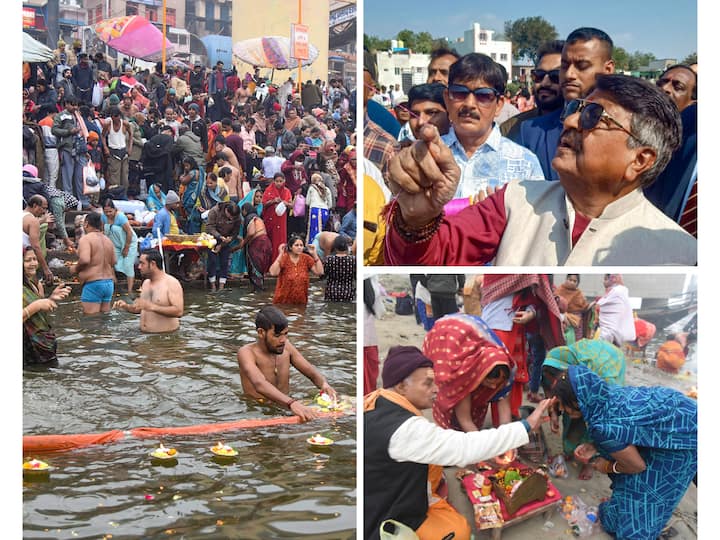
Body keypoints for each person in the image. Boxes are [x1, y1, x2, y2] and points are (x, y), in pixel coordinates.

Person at [384, 74, 696, 266]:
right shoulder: (515, 197)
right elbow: (439, 254)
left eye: (593, 117)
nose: (570, 121)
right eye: (576, 109)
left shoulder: (681, 254)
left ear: (639, 160)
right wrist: (417, 218)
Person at [364, 346, 554, 540]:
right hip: (382, 515)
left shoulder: (377, 401)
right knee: (460, 531)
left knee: (435, 463)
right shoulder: (404, 430)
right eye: (428, 383)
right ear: (401, 386)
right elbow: (464, 447)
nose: (436, 389)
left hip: (382, 489)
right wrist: (527, 425)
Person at [552, 365, 696, 540]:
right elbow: (627, 430)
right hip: (676, 415)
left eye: (562, 403)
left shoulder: (601, 425)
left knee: (647, 497)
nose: (561, 410)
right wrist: (596, 445)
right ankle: (621, 515)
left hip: (683, 437)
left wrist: (605, 466)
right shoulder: (605, 394)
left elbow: (636, 466)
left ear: (578, 400)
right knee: (630, 492)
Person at [542, 339, 626, 479]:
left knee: (592, 421)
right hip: (574, 382)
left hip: (608, 361)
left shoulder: (604, 380)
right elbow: (551, 392)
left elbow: (605, 416)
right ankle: (569, 450)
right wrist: (554, 413)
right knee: (570, 413)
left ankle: (590, 461)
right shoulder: (553, 364)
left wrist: (595, 445)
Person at [237, 306, 338, 422]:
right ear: (261, 332)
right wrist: (292, 403)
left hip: (286, 406)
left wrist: (324, 385)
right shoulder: (246, 353)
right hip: (258, 411)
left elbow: (310, 372)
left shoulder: (287, 347)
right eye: (277, 335)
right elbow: (259, 384)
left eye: (286, 334)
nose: (283, 340)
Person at [424, 313, 516, 432]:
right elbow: (465, 420)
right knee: (454, 416)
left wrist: (508, 441)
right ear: (478, 374)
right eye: (489, 383)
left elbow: (504, 409)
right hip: (445, 338)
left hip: (467, 334)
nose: (494, 387)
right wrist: (484, 446)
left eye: (497, 383)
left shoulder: (505, 367)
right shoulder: (461, 376)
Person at [502, 40, 567, 179]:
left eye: (555, 77)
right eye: (539, 75)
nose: (545, 83)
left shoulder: (581, 128)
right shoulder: (513, 127)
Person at [23, 246, 72, 368]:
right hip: (26, 347)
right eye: (28, 260)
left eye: (35, 259)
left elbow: (39, 314)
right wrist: (38, 304)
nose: (33, 263)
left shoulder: (35, 284)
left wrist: (51, 299)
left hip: (42, 346)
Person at [113, 250, 184, 333]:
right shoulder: (146, 283)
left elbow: (179, 311)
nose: (139, 267)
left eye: (142, 263)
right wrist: (125, 306)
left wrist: (152, 307)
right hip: (144, 336)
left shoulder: (171, 283)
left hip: (164, 338)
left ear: (153, 264)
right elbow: (142, 308)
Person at [72, 212, 117, 315]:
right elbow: (114, 261)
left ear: (86, 224)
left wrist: (75, 268)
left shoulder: (86, 239)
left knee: (91, 320)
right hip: (109, 284)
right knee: (104, 318)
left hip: (94, 283)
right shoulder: (108, 240)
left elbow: (85, 260)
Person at [269, 234, 323, 305]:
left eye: (301, 245)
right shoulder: (284, 258)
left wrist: (314, 254)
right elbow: (273, 272)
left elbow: (320, 272)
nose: (299, 247)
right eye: (296, 245)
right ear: (290, 247)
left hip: (301, 301)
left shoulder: (306, 258)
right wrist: (280, 254)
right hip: (283, 301)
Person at [101, 198, 139, 294]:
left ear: (115, 209)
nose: (108, 214)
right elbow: (103, 231)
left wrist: (126, 248)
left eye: (110, 211)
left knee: (128, 264)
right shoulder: (103, 217)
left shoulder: (121, 217)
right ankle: (114, 286)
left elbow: (129, 233)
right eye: (106, 212)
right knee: (111, 261)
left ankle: (130, 290)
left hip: (129, 242)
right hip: (114, 242)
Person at [205, 201, 242, 291]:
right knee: (212, 261)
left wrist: (230, 238)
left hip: (226, 240)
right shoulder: (214, 211)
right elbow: (209, 227)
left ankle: (222, 286)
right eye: (230, 216)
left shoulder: (237, 218)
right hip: (212, 239)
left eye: (233, 217)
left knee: (224, 262)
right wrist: (219, 237)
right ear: (226, 210)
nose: (231, 218)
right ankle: (213, 284)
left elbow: (235, 232)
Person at [591, 274, 636, 347]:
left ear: (613, 279)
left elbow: (601, 304)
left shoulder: (617, 291)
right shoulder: (615, 292)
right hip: (609, 329)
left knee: (604, 347)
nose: (603, 282)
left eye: (606, 279)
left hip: (610, 330)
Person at [237, 202, 273, 291]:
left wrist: (244, 242)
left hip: (258, 244)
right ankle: (260, 291)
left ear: (244, 210)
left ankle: (258, 292)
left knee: (255, 267)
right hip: (266, 242)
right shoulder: (258, 218)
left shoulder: (249, 217)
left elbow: (251, 232)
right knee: (260, 268)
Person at [23, 195, 54, 283]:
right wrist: (46, 269)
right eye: (43, 208)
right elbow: (36, 246)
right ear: (35, 205)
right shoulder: (33, 221)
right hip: (25, 261)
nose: (44, 212)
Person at [262, 173, 292, 258]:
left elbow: (291, 205)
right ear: (273, 181)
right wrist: (273, 201)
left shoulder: (287, 191)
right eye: (277, 181)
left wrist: (286, 203)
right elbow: (264, 203)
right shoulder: (268, 190)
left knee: (280, 239)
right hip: (270, 219)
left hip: (281, 220)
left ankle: (280, 261)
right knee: (270, 239)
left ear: (284, 181)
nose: (279, 183)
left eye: (280, 181)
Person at [363, 275, 385, 395]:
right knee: (369, 369)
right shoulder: (369, 280)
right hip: (367, 335)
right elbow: (378, 309)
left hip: (365, 334)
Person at [554, 274, 589, 343]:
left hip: (577, 321)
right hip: (564, 320)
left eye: (574, 281)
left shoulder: (578, 293)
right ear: (566, 280)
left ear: (577, 283)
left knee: (577, 341)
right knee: (565, 341)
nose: (572, 282)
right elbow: (555, 304)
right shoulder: (560, 290)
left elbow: (584, 306)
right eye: (570, 280)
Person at [323, 235, 355, 302]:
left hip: (331, 293)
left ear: (335, 247)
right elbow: (355, 276)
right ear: (347, 247)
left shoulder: (329, 259)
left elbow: (323, 276)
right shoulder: (353, 260)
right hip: (348, 293)